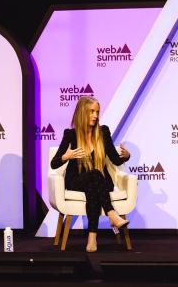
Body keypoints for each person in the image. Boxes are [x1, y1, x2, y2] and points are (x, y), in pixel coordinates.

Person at [51, 96, 131, 252]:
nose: (95, 115)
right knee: (93, 175)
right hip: (76, 181)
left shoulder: (103, 132)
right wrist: (66, 156)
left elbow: (115, 160)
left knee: (93, 186)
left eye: (97, 112)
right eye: (91, 112)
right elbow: (54, 163)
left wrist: (126, 156)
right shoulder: (70, 135)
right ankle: (112, 215)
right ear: (82, 113)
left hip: (101, 182)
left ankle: (92, 239)